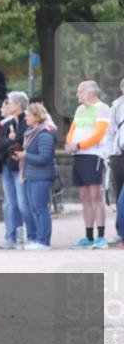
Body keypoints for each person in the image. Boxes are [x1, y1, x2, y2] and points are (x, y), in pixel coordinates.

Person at [66, 80, 112, 249]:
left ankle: (101, 236)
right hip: (78, 156)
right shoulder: (80, 109)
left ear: (89, 92)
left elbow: (99, 133)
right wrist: (70, 143)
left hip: (93, 156)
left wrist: (79, 145)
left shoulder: (102, 108)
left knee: (95, 195)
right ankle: (88, 235)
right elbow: (73, 129)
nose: (78, 94)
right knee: (84, 196)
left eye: (80, 91)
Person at [14, 102, 57, 250]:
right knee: (35, 209)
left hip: (41, 176)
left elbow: (44, 157)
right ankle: (39, 238)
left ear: (37, 117)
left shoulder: (44, 134)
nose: (26, 117)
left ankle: (43, 241)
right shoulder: (33, 132)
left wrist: (25, 155)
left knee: (40, 209)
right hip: (32, 175)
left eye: (29, 115)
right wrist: (22, 156)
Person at [0, 92, 29, 249]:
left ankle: (27, 236)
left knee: (22, 203)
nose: (7, 105)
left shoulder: (27, 121)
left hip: (19, 166)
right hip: (7, 165)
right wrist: (11, 139)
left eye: (10, 103)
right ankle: (11, 235)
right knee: (10, 204)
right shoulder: (7, 123)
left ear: (18, 105)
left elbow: (23, 140)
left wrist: (11, 140)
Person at [110, 77, 124, 244]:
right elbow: (111, 132)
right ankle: (120, 229)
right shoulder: (116, 106)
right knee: (119, 192)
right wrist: (110, 152)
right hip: (119, 154)